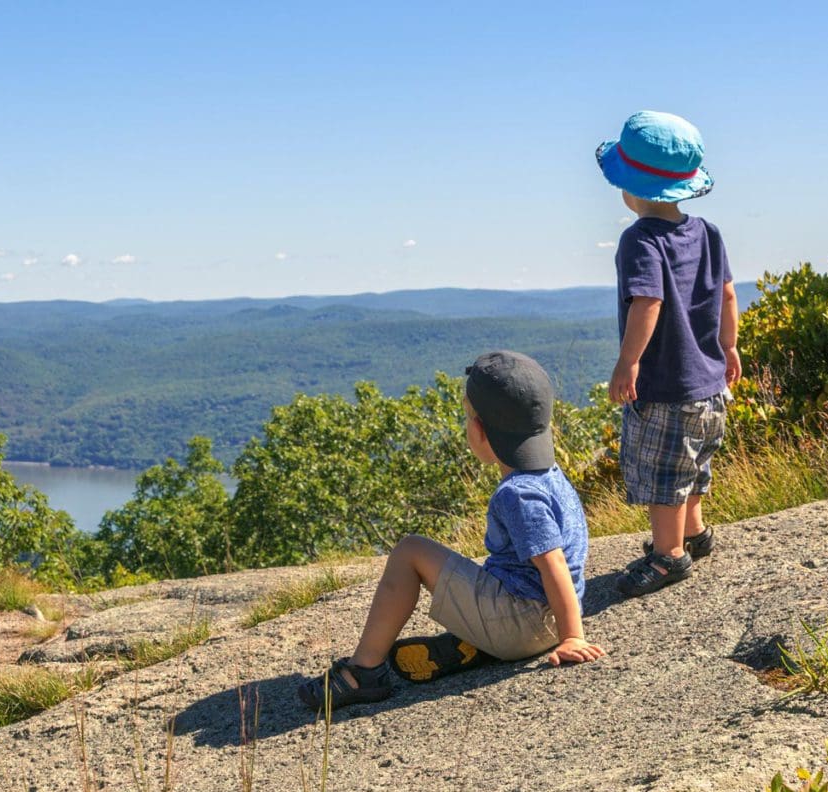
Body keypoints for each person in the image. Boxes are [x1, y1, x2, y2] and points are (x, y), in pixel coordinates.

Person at [298, 350, 605, 712]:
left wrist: (572, 638)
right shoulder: (553, 478)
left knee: (410, 551)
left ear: (478, 430)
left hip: (525, 624)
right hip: (548, 620)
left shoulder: (516, 494)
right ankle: (475, 643)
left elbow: (552, 562)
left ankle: (363, 672)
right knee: (479, 571)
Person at [596, 110, 741, 598]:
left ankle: (669, 556)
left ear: (631, 188)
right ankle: (694, 534)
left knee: (663, 477)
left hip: (667, 388)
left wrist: (628, 361)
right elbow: (726, 295)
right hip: (711, 385)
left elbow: (648, 302)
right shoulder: (708, 232)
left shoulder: (639, 240)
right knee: (694, 467)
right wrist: (729, 347)